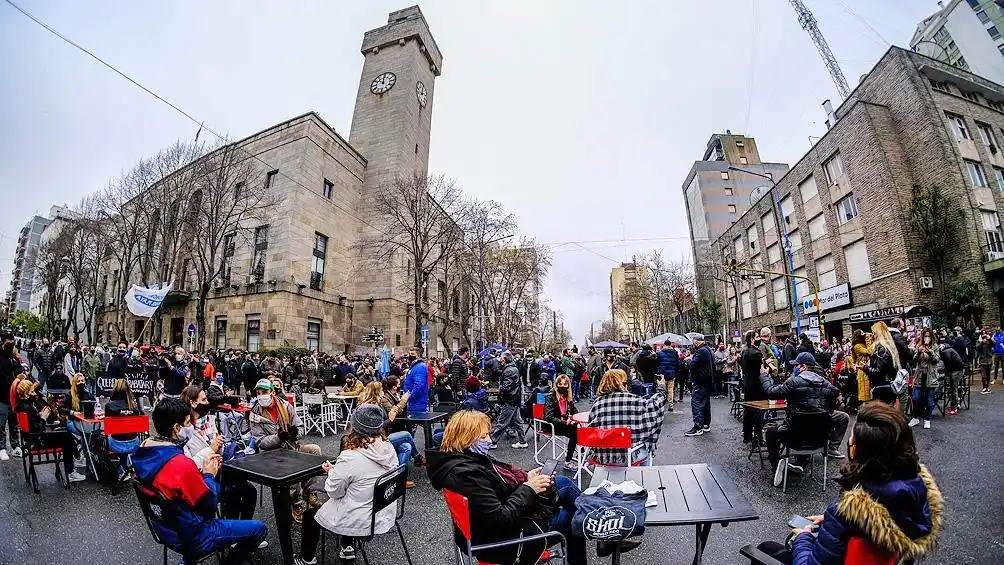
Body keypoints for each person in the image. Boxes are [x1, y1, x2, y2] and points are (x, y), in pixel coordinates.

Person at [754, 402, 942, 565]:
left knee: (764, 549)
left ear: (857, 451)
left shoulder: (844, 514)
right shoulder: (915, 494)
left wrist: (803, 537)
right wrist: (830, 522)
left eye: (851, 441)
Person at [426, 410, 590, 565]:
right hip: (502, 543)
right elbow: (500, 519)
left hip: (491, 532)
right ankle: (597, 521)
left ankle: (596, 518)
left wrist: (527, 477)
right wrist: (529, 488)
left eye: (488, 434)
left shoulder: (465, 460)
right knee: (570, 517)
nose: (489, 440)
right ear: (465, 439)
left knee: (561, 483)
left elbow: (500, 483)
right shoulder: (465, 475)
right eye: (483, 436)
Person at [134, 397, 267, 564]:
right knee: (260, 529)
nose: (191, 426)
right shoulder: (180, 465)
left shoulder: (144, 450)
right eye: (188, 422)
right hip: (193, 534)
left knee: (236, 490)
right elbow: (208, 503)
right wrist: (208, 474)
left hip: (163, 527)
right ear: (176, 428)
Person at [294, 404, 400, 564]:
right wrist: (337, 470)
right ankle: (347, 545)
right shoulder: (388, 448)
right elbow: (363, 475)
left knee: (311, 516)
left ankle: (306, 558)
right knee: (355, 496)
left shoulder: (350, 457)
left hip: (362, 519)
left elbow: (334, 492)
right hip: (384, 511)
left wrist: (332, 472)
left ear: (355, 428)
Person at [179, 386, 264, 532]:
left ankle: (244, 530)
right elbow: (188, 465)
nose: (207, 403)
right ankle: (232, 532)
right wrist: (211, 449)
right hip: (203, 478)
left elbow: (219, 448)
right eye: (204, 399)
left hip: (222, 469)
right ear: (192, 403)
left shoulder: (208, 420)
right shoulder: (183, 431)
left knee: (249, 491)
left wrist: (219, 446)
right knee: (232, 493)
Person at [760, 352, 848, 488]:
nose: (794, 368)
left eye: (796, 365)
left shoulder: (793, 382)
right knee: (816, 421)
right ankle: (803, 462)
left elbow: (771, 393)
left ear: (803, 367)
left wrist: (764, 375)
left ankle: (776, 466)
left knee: (770, 432)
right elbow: (835, 398)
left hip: (794, 437)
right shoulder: (826, 384)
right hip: (819, 438)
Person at [588, 369, 667, 466]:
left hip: (602, 457)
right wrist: (661, 388)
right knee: (645, 446)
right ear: (623, 383)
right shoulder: (635, 400)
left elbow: (591, 430)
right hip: (630, 456)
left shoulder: (597, 403)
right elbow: (654, 406)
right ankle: (645, 476)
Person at [14, 379, 86, 482]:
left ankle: (75, 459)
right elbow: (36, 428)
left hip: (31, 439)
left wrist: (42, 418)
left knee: (64, 432)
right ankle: (70, 470)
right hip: (38, 441)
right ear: (26, 394)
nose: (34, 393)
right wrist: (43, 418)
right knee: (66, 436)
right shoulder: (28, 408)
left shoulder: (21, 406)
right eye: (32, 391)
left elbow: (32, 424)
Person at [248, 379, 321, 455]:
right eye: (258, 393)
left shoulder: (286, 406)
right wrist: (278, 437)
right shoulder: (255, 414)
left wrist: (295, 433)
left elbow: (300, 426)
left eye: (265, 392)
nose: (261, 396)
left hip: (291, 446)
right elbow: (260, 442)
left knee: (315, 449)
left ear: (273, 393)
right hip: (271, 453)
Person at [490, 352, 528, 449]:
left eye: (501, 358)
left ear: (504, 359)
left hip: (510, 400)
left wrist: (500, 395)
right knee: (518, 422)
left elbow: (505, 387)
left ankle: (492, 442)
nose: (499, 360)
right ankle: (523, 442)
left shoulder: (509, 370)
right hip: (514, 399)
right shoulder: (512, 369)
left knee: (502, 422)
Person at [542, 374, 580, 471]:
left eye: (565, 384)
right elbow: (549, 417)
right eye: (560, 383)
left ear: (568, 385)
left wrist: (572, 418)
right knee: (575, 433)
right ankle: (569, 461)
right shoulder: (550, 397)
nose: (562, 386)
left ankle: (581, 453)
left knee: (579, 428)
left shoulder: (568, 397)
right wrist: (565, 422)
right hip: (552, 425)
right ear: (556, 384)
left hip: (564, 424)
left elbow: (575, 411)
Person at [864, 322, 901, 405]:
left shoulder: (882, 350)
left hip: (882, 387)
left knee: (881, 414)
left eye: (873, 333)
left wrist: (865, 368)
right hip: (888, 386)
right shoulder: (888, 348)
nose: (872, 335)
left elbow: (878, 372)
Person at [740, 330, 767, 444]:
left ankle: (747, 435)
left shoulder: (744, 352)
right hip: (757, 384)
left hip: (747, 383)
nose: (759, 338)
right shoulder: (756, 353)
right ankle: (759, 437)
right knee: (759, 411)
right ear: (752, 339)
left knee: (748, 410)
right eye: (757, 337)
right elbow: (762, 369)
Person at [910, 329, 939, 430]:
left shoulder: (935, 346)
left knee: (929, 400)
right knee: (915, 398)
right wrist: (918, 352)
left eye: (928, 336)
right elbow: (914, 360)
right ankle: (915, 417)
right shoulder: (919, 345)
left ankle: (927, 419)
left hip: (930, 376)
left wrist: (930, 352)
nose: (927, 338)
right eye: (925, 336)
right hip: (920, 375)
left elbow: (937, 359)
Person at [685, 334, 714, 437]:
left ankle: (698, 427)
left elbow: (692, 365)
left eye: (693, 343)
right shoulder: (708, 349)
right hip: (706, 381)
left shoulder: (701, 351)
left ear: (696, 342)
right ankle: (705, 424)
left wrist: (688, 360)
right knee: (705, 403)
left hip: (700, 380)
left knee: (696, 402)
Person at [0, 332, 23, 460]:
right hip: (2, 396)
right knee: (1, 423)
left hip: (14, 397)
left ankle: (15, 446)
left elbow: (20, 371)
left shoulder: (14, 358)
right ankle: (2, 448)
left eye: (12, 341)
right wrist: (14, 378)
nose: (11, 344)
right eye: (8, 342)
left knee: (14, 422)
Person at [939, 337, 966, 415]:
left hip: (957, 370)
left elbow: (948, 363)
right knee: (953, 388)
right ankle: (955, 405)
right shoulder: (949, 349)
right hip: (958, 369)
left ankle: (954, 407)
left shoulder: (946, 351)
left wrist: (946, 372)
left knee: (953, 388)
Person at [402, 347, 429, 414]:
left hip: (417, 403)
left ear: (418, 355)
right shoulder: (413, 366)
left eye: (412, 354)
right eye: (409, 353)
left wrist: (410, 397)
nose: (410, 355)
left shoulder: (420, 367)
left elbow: (419, 385)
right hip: (412, 403)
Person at [655, 340, 679, 411]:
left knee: (661, 389)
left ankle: (660, 403)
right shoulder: (675, 353)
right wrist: (675, 371)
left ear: (664, 345)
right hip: (671, 373)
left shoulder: (660, 353)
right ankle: (670, 405)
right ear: (670, 344)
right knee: (670, 390)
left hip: (662, 374)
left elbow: (657, 363)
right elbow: (677, 364)